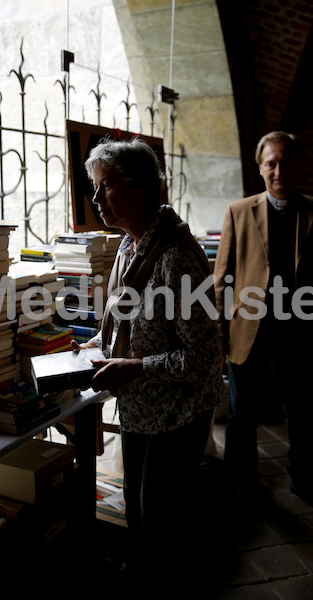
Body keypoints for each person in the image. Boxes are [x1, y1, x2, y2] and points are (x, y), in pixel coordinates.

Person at [71, 136, 225, 586]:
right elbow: (121, 318)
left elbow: (203, 357)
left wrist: (136, 367)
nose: (96, 198)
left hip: (175, 415)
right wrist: (95, 345)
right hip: (140, 408)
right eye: (94, 187)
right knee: (139, 513)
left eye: (107, 186)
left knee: (160, 520)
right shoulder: (128, 246)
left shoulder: (175, 257)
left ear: (141, 187)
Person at [214, 130, 313, 509]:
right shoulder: (239, 212)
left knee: (303, 410)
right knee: (242, 414)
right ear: (260, 168)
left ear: (298, 166)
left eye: (285, 162)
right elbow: (222, 279)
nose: (278, 170)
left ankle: (304, 478)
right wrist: (221, 335)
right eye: (270, 163)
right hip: (248, 331)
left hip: (299, 330)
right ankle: (242, 482)